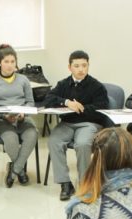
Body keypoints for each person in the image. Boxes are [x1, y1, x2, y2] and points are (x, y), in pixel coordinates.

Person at [44, 50, 109, 201]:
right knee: (54, 141)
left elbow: (102, 109)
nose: (81, 69)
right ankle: (65, 184)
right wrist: (67, 103)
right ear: (70, 67)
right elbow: (48, 99)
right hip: (67, 123)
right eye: (77, 66)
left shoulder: (96, 86)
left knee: (82, 144)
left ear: (88, 66)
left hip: (88, 124)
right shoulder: (63, 84)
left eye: (84, 66)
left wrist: (82, 109)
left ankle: (85, 184)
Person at [0, 44, 38, 187]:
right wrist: (4, 115)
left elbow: (30, 102)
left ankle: (14, 170)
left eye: (12, 62)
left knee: (32, 134)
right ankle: (21, 172)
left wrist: (23, 112)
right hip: (0, 119)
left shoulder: (23, 79)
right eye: (6, 62)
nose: (10, 65)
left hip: (22, 118)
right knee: (11, 139)